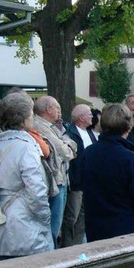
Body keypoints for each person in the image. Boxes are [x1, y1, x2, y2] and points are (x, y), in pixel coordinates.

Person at [0, 93, 53, 263]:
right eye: (32, 115)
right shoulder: (26, 148)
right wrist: (45, 220)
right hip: (25, 229)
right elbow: (37, 192)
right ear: (25, 119)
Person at [83, 103, 134, 241]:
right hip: (128, 230)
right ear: (129, 127)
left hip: (96, 229)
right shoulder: (132, 160)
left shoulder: (88, 153)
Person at [33, 95, 77, 245]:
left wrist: (67, 144)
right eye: (57, 107)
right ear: (48, 109)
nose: (60, 111)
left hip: (62, 179)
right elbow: (65, 152)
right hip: (55, 182)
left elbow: (70, 144)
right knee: (53, 226)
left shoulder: (54, 127)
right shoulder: (40, 126)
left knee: (57, 225)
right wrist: (68, 145)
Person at [61, 104, 97, 247]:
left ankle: (78, 246)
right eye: (89, 114)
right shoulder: (70, 134)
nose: (92, 117)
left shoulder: (89, 133)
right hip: (77, 183)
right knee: (72, 218)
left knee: (83, 218)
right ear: (81, 118)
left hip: (88, 183)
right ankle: (68, 248)